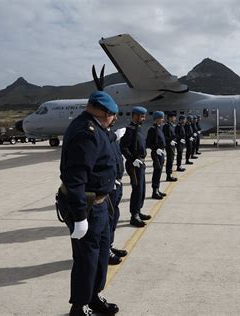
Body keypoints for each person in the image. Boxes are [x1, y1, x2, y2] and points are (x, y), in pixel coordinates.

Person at [58, 91, 120, 316]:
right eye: (112, 115)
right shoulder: (86, 132)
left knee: (102, 253)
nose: (114, 119)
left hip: (101, 204)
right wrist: (80, 216)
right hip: (86, 206)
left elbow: (105, 144)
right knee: (87, 258)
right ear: (104, 112)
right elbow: (74, 178)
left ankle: (94, 297)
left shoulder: (96, 127)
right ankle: (80, 306)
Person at [120, 106, 152, 228]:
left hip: (141, 163)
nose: (143, 118)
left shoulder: (139, 129)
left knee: (142, 189)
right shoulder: (130, 130)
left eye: (144, 116)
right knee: (137, 189)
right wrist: (132, 159)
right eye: (141, 116)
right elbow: (123, 147)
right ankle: (134, 216)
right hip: (134, 164)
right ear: (134, 116)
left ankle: (138, 210)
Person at [107, 124, 128, 265]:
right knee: (107, 220)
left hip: (117, 183)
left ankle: (109, 245)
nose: (115, 118)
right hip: (109, 185)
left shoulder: (112, 137)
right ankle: (105, 251)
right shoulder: (103, 137)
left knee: (114, 217)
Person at [146, 111, 167, 199]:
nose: (163, 120)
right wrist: (156, 149)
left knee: (159, 172)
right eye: (161, 118)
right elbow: (148, 143)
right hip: (156, 153)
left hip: (161, 153)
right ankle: (154, 191)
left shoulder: (159, 128)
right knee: (157, 172)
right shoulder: (152, 129)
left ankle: (157, 189)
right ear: (157, 119)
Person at [162, 112, 178, 182]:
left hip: (172, 145)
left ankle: (169, 174)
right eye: (174, 117)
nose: (175, 118)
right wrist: (169, 141)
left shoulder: (172, 125)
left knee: (171, 160)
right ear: (170, 118)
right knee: (169, 160)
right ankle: (168, 175)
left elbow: (173, 135)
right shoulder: (166, 126)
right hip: (169, 146)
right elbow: (165, 136)